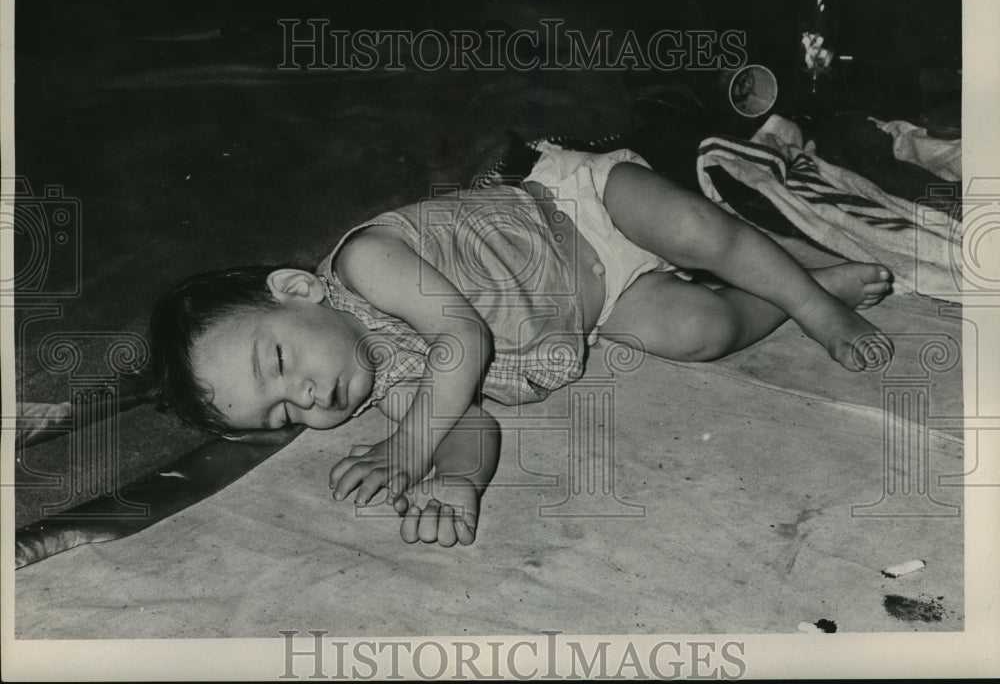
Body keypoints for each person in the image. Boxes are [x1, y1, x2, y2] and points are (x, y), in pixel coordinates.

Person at [149, 143, 893, 547]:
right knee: (701, 333)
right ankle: (791, 295)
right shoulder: (388, 382)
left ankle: (814, 302)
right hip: (598, 307)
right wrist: (451, 481)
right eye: (281, 416)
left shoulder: (363, 263)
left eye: (277, 363)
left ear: (297, 290)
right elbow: (468, 420)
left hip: (584, 208)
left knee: (703, 233)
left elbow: (461, 335)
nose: (305, 398)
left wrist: (409, 448)